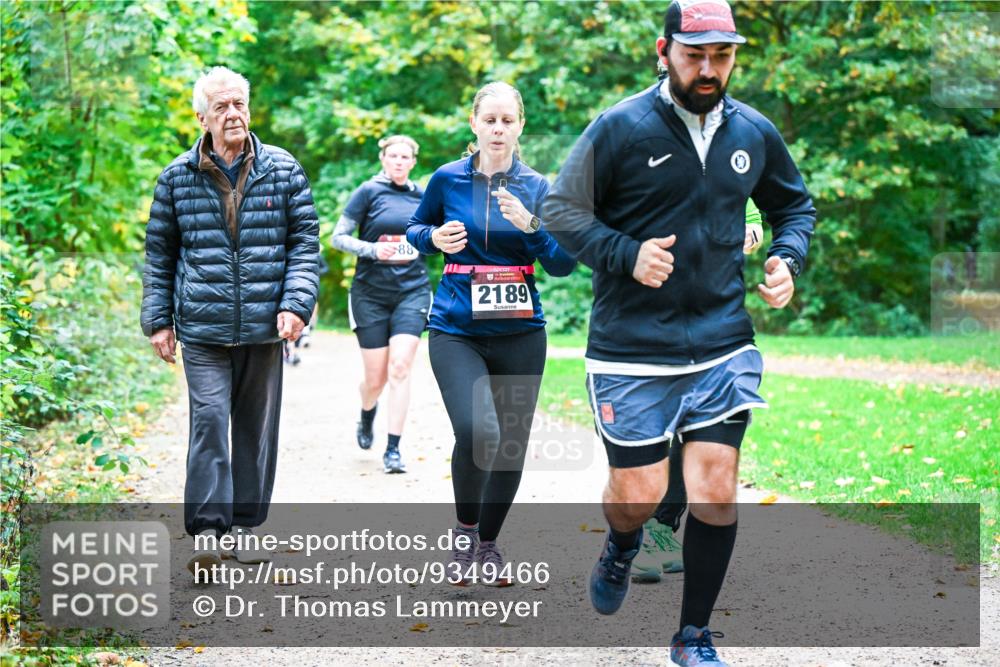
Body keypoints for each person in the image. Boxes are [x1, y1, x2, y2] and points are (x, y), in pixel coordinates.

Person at [543, 0, 816, 664]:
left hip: (723, 339)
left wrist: (788, 258)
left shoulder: (752, 130)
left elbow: (793, 205)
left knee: (715, 485)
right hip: (632, 348)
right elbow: (559, 210)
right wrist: (625, 252)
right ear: (662, 51)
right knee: (636, 498)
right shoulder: (619, 128)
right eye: (695, 54)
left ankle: (693, 633)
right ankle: (623, 542)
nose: (709, 68)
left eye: (721, 55)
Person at [140, 66, 319, 575]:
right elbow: (160, 254)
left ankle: (238, 530)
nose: (233, 113)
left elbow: (304, 245)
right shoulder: (177, 176)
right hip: (202, 327)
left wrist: (295, 304)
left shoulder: (283, 169)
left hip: (265, 326)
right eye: (221, 106)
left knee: (253, 429)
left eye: (239, 103)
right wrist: (159, 320)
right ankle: (208, 534)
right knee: (211, 422)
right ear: (202, 117)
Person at [407, 82, 575, 586]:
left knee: (510, 445)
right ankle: (464, 532)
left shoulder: (540, 188)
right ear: (474, 123)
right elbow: (415, 231)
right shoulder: (446, 179)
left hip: (521, 332)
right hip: (455, 328)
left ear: (520, 126)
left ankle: (488, 545)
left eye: (508, 120)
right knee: (479, 432)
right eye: (490, 119)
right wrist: (433, 238)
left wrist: (533, 228)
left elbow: (564, 263)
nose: (498, 128)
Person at [633, 197, 764, 584]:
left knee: (704, 426)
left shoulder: (725, 156)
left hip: (714, 318)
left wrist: (752, 230)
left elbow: (752, 217)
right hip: (649, 314)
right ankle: (630, 529)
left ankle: (660, 527)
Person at [332, 135, 430, 473]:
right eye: (394, 156)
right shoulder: (368, 191)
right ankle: (367, 411)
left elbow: (434, 236)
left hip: (412, 291)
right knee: (375, 379)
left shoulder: (424, 196)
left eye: (406, 156)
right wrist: (373, 250)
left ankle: (393, 450)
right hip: (370, 294)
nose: (400, 161)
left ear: (413, 161)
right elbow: (338, 236)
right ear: (383, 158)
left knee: (400, 367)